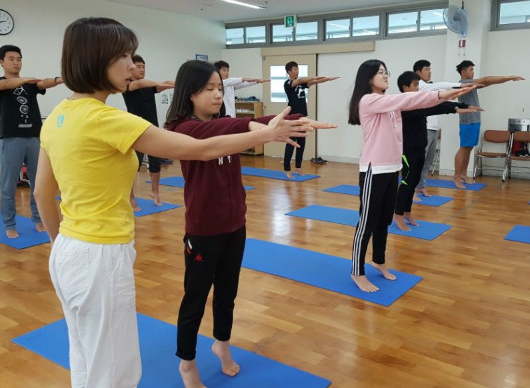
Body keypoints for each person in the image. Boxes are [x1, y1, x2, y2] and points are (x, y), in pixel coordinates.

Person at [33, 17, 312, 388]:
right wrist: (269, 132)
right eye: (126, 56)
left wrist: (60, 248)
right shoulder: (107, 119)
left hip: (70, 250)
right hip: (100, 254)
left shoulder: (57, 117)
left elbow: (40, 194)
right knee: (115, 371)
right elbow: (200, 148)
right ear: (98, 59)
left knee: (86, 356)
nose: (133, 66)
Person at [166, 60, 335, 388]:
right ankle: (187, 363)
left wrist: (297, 120)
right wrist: (262, 130)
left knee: (227, 294)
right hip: (202, 229)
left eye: (220, 88)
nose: (218, 95)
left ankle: (222, 345)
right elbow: (216, 133)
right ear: (189, 93)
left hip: (235, 224)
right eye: (209, 89)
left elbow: (248, 123)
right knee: (196, 297)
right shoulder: (181, 129)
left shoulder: (226, 122)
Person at [347, 59, 475, 292]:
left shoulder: (389, 104)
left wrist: (449, 99)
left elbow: (417, 104)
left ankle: (379, 260)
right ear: (368, 78)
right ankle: (357, 270)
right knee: (367, 222)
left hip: (391, 168)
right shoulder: (369, 100)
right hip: (373, 170)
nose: (385, 76)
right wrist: (442, 93)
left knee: (384, 220)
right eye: (380, 73)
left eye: (386, 71)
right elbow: (409, 98)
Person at [392, 71, 481, 231]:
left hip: (419, 148)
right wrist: (457, 108)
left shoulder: (416, 102)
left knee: (413, 182)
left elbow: (432, 106)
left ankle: (407, 212)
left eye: (418, 85)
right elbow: (431, 108)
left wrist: (463, 106)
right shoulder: (404, 105)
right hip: (408, 151)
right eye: (415, 86)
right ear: (405, 88)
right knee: (406, 182)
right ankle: (398, 215)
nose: (418, 89)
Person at [0, 45, 63, 238]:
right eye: (11, 59)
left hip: (34, 139)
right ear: (2, 62)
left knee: (38, 184)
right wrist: (21, 80)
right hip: (12, 139)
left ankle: (39, 219)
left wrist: (59, 80)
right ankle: (9, 224)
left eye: (19, 59)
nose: (16, 62)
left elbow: (43, 83)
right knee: (8, 185)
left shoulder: (30, 84)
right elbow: (5, 86)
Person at [454, 60, 524, 189]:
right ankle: (457, 177)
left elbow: (487, 82)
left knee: (469, 148)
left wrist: (504, 79)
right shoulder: (464, 84)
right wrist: (509, 77)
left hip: (475, 120)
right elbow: (487, 80)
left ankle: (463, 174)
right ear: (463, 72)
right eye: (470, 70)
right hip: (467, 122)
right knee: (464, 148)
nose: (472, 72)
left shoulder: (471, 84)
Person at [123, 54, 175, 208]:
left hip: (151, 129)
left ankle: (155, 193)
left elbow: (164, 83)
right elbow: (140, 84)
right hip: (135, 131)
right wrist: (161, 83)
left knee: (155, 163)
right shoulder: (128, 85)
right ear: (131, 68)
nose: (142, 69)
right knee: (134, 166)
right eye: (138, 66)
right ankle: (131, 198)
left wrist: (180, 84)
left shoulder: (149, 87)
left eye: (143, 66)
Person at [412, 59, 465, 198]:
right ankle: (411, 191)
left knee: (428, 162)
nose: (430, 72)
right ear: (418, 72)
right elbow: (440, 86)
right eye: (427, 70)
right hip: (424, 128)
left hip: (433, 128)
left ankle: (420, 186)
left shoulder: (428, 86)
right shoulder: (421, 86)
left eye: (430, 69)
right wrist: (459, 85)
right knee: (418, 162)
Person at [283, 61, 339, 178]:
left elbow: (314, 82)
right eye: (295, 69)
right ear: (289, 72)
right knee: (291, 143)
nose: (297, 71)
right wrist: (313, 76)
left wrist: (328, 79)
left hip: (302, 116)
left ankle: (298, 167)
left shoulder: (301, 84)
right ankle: (287, 169)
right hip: (293, 117)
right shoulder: (288, 83)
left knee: (301, 143)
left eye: (298, 69)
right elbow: (300, 80)